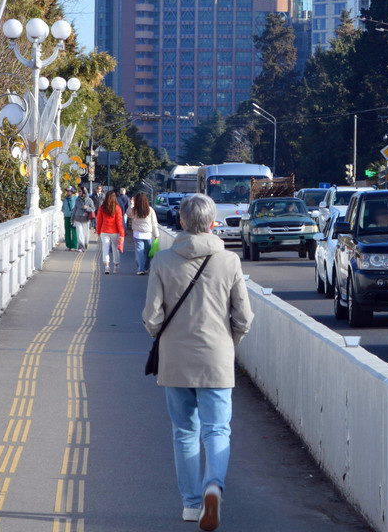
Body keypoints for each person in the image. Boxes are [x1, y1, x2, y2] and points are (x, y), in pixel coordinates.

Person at [142, 194, 254, 530]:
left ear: (181, 222)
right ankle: (213, 487)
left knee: (184, 433)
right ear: (211, 224)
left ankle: (191, 505)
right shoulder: (229, 262)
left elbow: (151, 317)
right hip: (217, 360)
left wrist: (166, 339)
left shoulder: (162, 261)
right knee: (217, 429)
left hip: (176, 361)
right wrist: (227, 344)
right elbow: (244, 318)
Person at [129, 193, 160, 275]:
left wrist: (131, 204)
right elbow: (154, 223)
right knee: (148, 252)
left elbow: (128, 214)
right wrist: (156, 234)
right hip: (148, 234)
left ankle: (140, 269)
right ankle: (146, 267)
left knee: (139, 252)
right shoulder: (150, 210)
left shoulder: (134, 210)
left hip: (137, 234)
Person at [96, 190, 125, 274]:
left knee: (105, 248)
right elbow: (119, 222)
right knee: (115, 248)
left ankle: (106, 266)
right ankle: (116, 265)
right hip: (115, 232)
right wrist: (122, 234)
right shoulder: (117, 208)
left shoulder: (102, 208)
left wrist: (98, 231)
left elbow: (99, 221)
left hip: (104, 231)